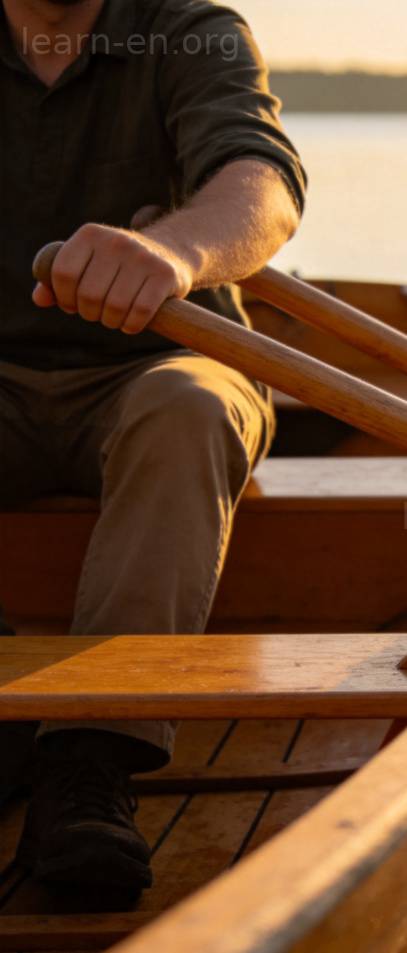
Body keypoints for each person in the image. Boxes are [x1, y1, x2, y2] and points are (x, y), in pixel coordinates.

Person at [0, 0, 307, 891]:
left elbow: (262, 181)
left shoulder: (187, 29)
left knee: (185, 407)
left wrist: (171, 253)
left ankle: (88, 765)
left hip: (164, 366)